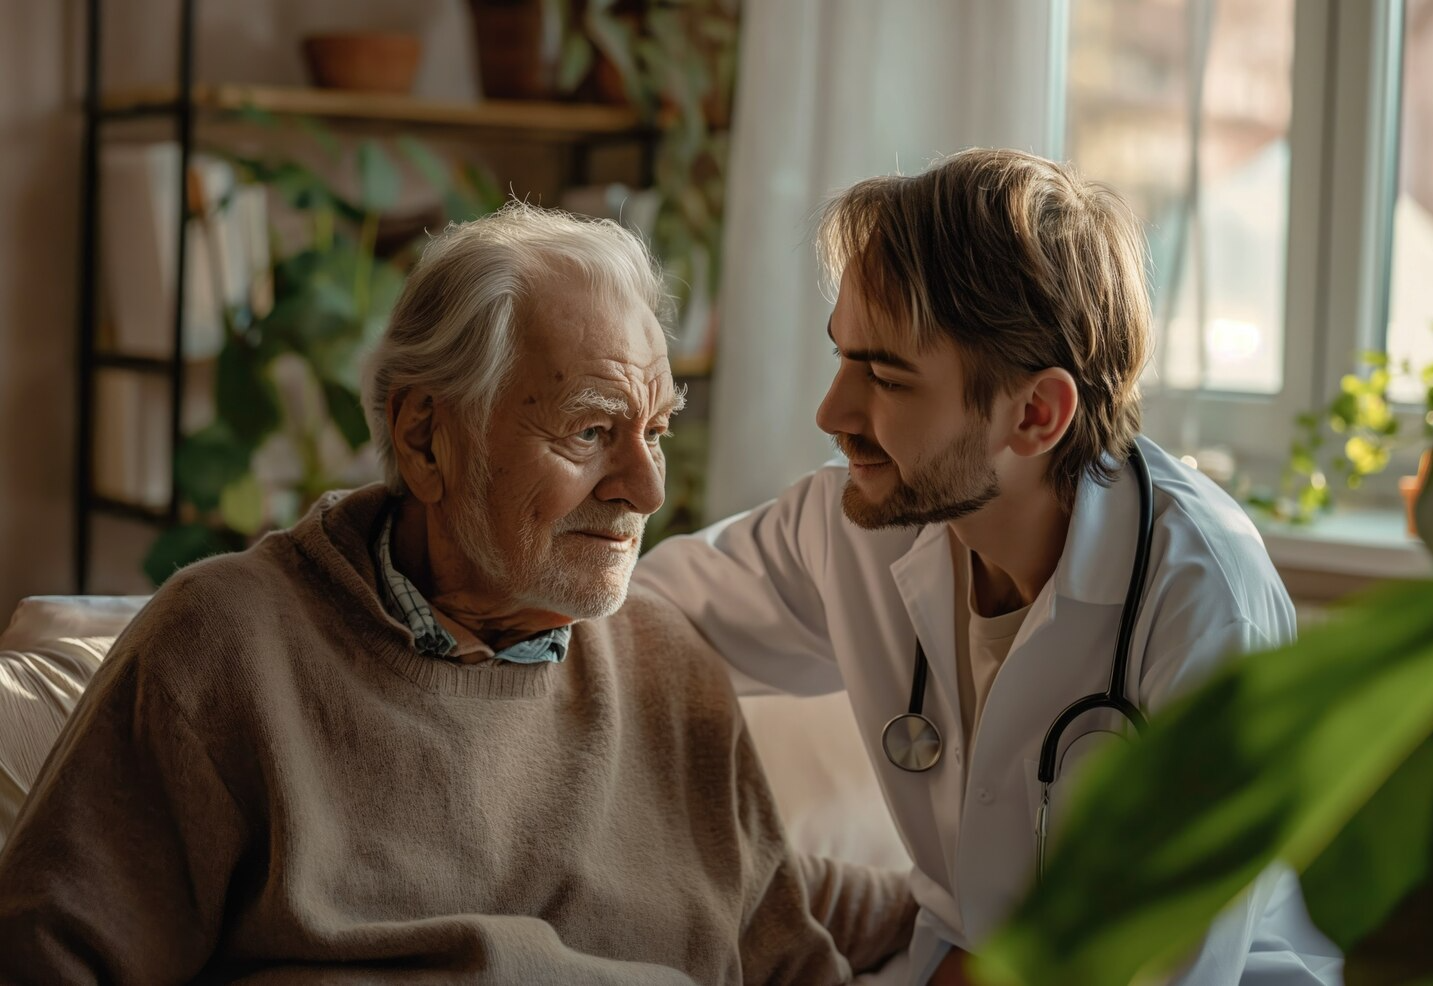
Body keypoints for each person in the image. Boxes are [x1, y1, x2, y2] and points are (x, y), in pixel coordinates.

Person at [0, 204, 916, 984]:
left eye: (658, 431)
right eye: (591, 430)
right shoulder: (223, 648)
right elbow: (52, 958)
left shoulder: (670, 666)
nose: (645, 489)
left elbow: (789, 947)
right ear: (426, 439)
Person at [635, 149, 1344, 986]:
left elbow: (1171, 967)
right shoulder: (857, 524)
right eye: (842, 357)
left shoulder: (1205, 602)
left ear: (1036, 414)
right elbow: (633, 621)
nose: (832, 412)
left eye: (885, 377)